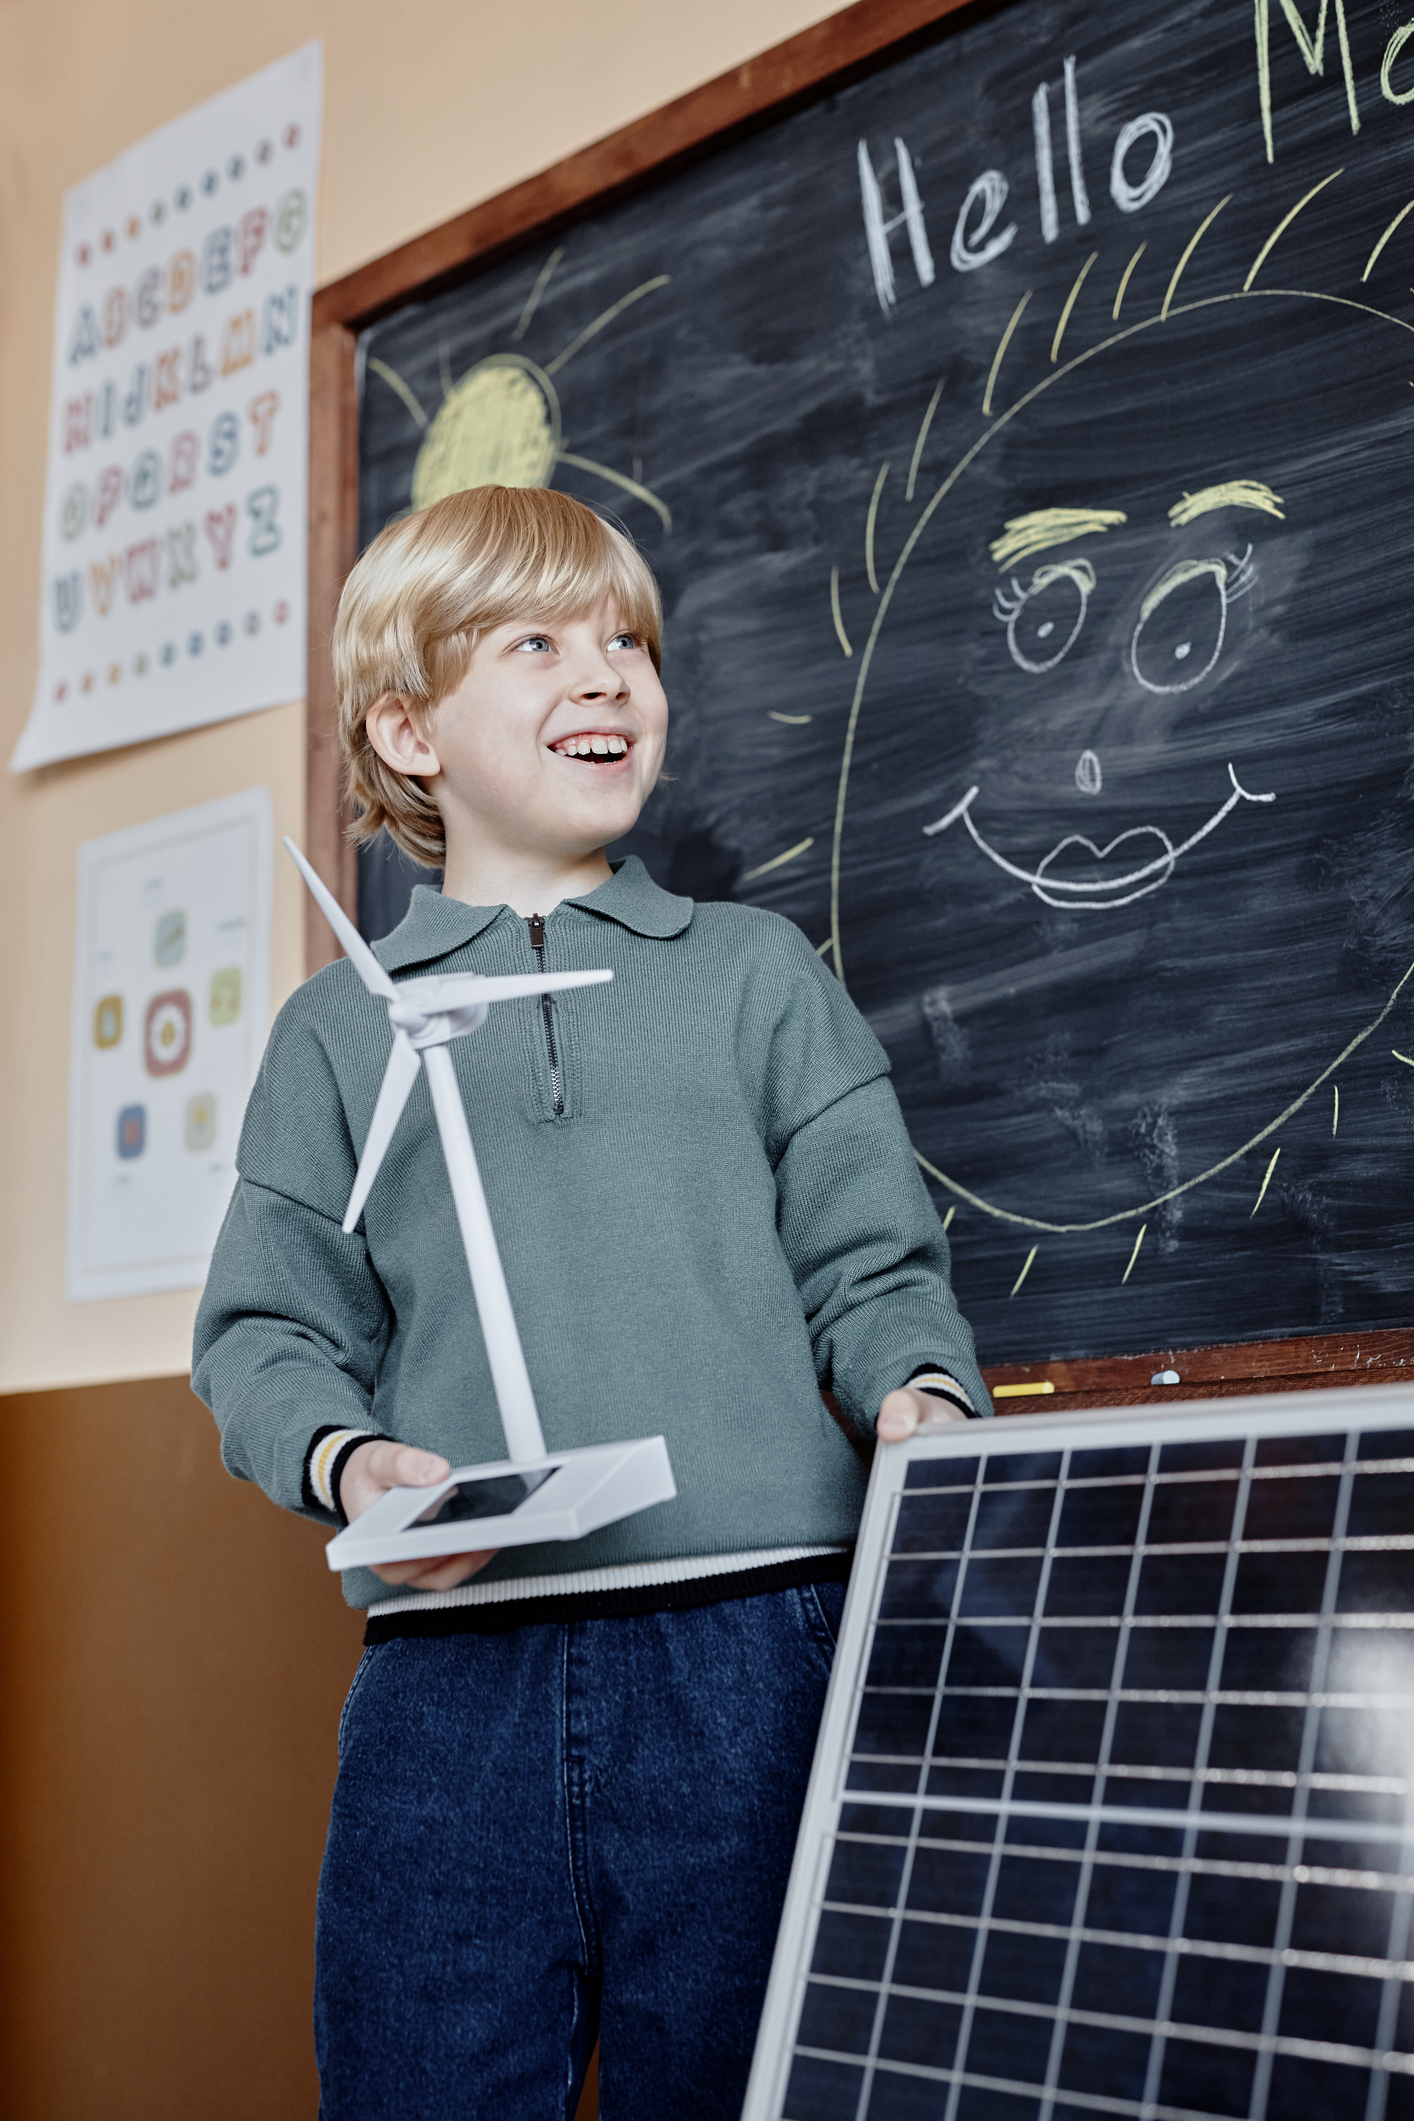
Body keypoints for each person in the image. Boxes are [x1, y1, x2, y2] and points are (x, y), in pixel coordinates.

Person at [192, 484, 989, 2119]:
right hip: (451, 1667)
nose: (608, 673)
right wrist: (347, 1460)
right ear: (408, 730)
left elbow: (870, 1258)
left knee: (756, 2081)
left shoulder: (756, 973)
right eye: (540, 642)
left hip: (759, 1640)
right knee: (423, 2074)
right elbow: (263, 1327)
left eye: (629, 640)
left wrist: (919, 1386)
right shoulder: (342, 1027)